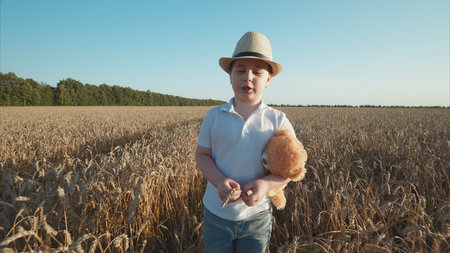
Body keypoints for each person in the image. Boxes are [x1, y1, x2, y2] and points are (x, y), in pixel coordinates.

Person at [195, 31, 296, 253]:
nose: (247, 77)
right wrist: (219, 180)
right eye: (240, 70)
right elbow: (202, 155)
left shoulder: (278, 120)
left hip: (257, 218)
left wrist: (266, 185)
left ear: (268, 79)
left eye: (257, 72)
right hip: (216, 214)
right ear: (230, 76)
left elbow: (292, 168)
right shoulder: (214, 116)